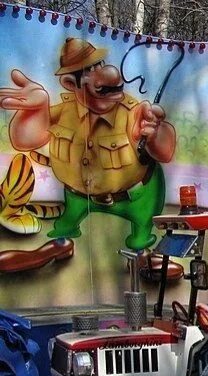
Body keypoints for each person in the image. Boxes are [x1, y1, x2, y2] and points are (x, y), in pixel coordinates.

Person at [0, 38, 180, 277]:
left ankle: (140, 255)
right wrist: (35, 110)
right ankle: (61, 244)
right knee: (68, 218)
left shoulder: (132, 111)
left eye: (100, 64)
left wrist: (156, 133)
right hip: (78, 194)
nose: (102, 73)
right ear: (69, 83)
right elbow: (26, 140)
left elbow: (165, 151)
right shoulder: (65, 111)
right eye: (89, 70)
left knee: (142, 223)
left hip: (136, 194)